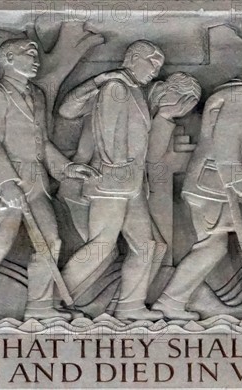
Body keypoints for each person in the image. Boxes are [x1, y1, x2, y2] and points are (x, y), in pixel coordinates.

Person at [0, 39, 97, 325]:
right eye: (28, 55)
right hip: (8, 183)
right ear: (8, 58)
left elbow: (42, 142)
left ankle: (40, 306)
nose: (35, 60)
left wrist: (66, 168)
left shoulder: (37, 96)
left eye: (35, 55)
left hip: (37, 182)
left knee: (50, 240)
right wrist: (7, 183)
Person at [152, 54, 242, 320]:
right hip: (213, 181)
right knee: (213, 245)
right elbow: (225, 139)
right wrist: (238, 179)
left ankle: (171, 301)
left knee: (214, 245)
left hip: (216, 180)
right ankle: (169, 301)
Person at [58, 41, 183, 321]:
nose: (155, 70)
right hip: (111, 181)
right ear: (134, 58)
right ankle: (51, 299)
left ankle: (130, 306)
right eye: (152, 62)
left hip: (130, 185)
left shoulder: (135, 91)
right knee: (103, 244)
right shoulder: (116, 86)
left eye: (158, 66)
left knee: (149, 246)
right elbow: (108, 133)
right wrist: (116, 166)